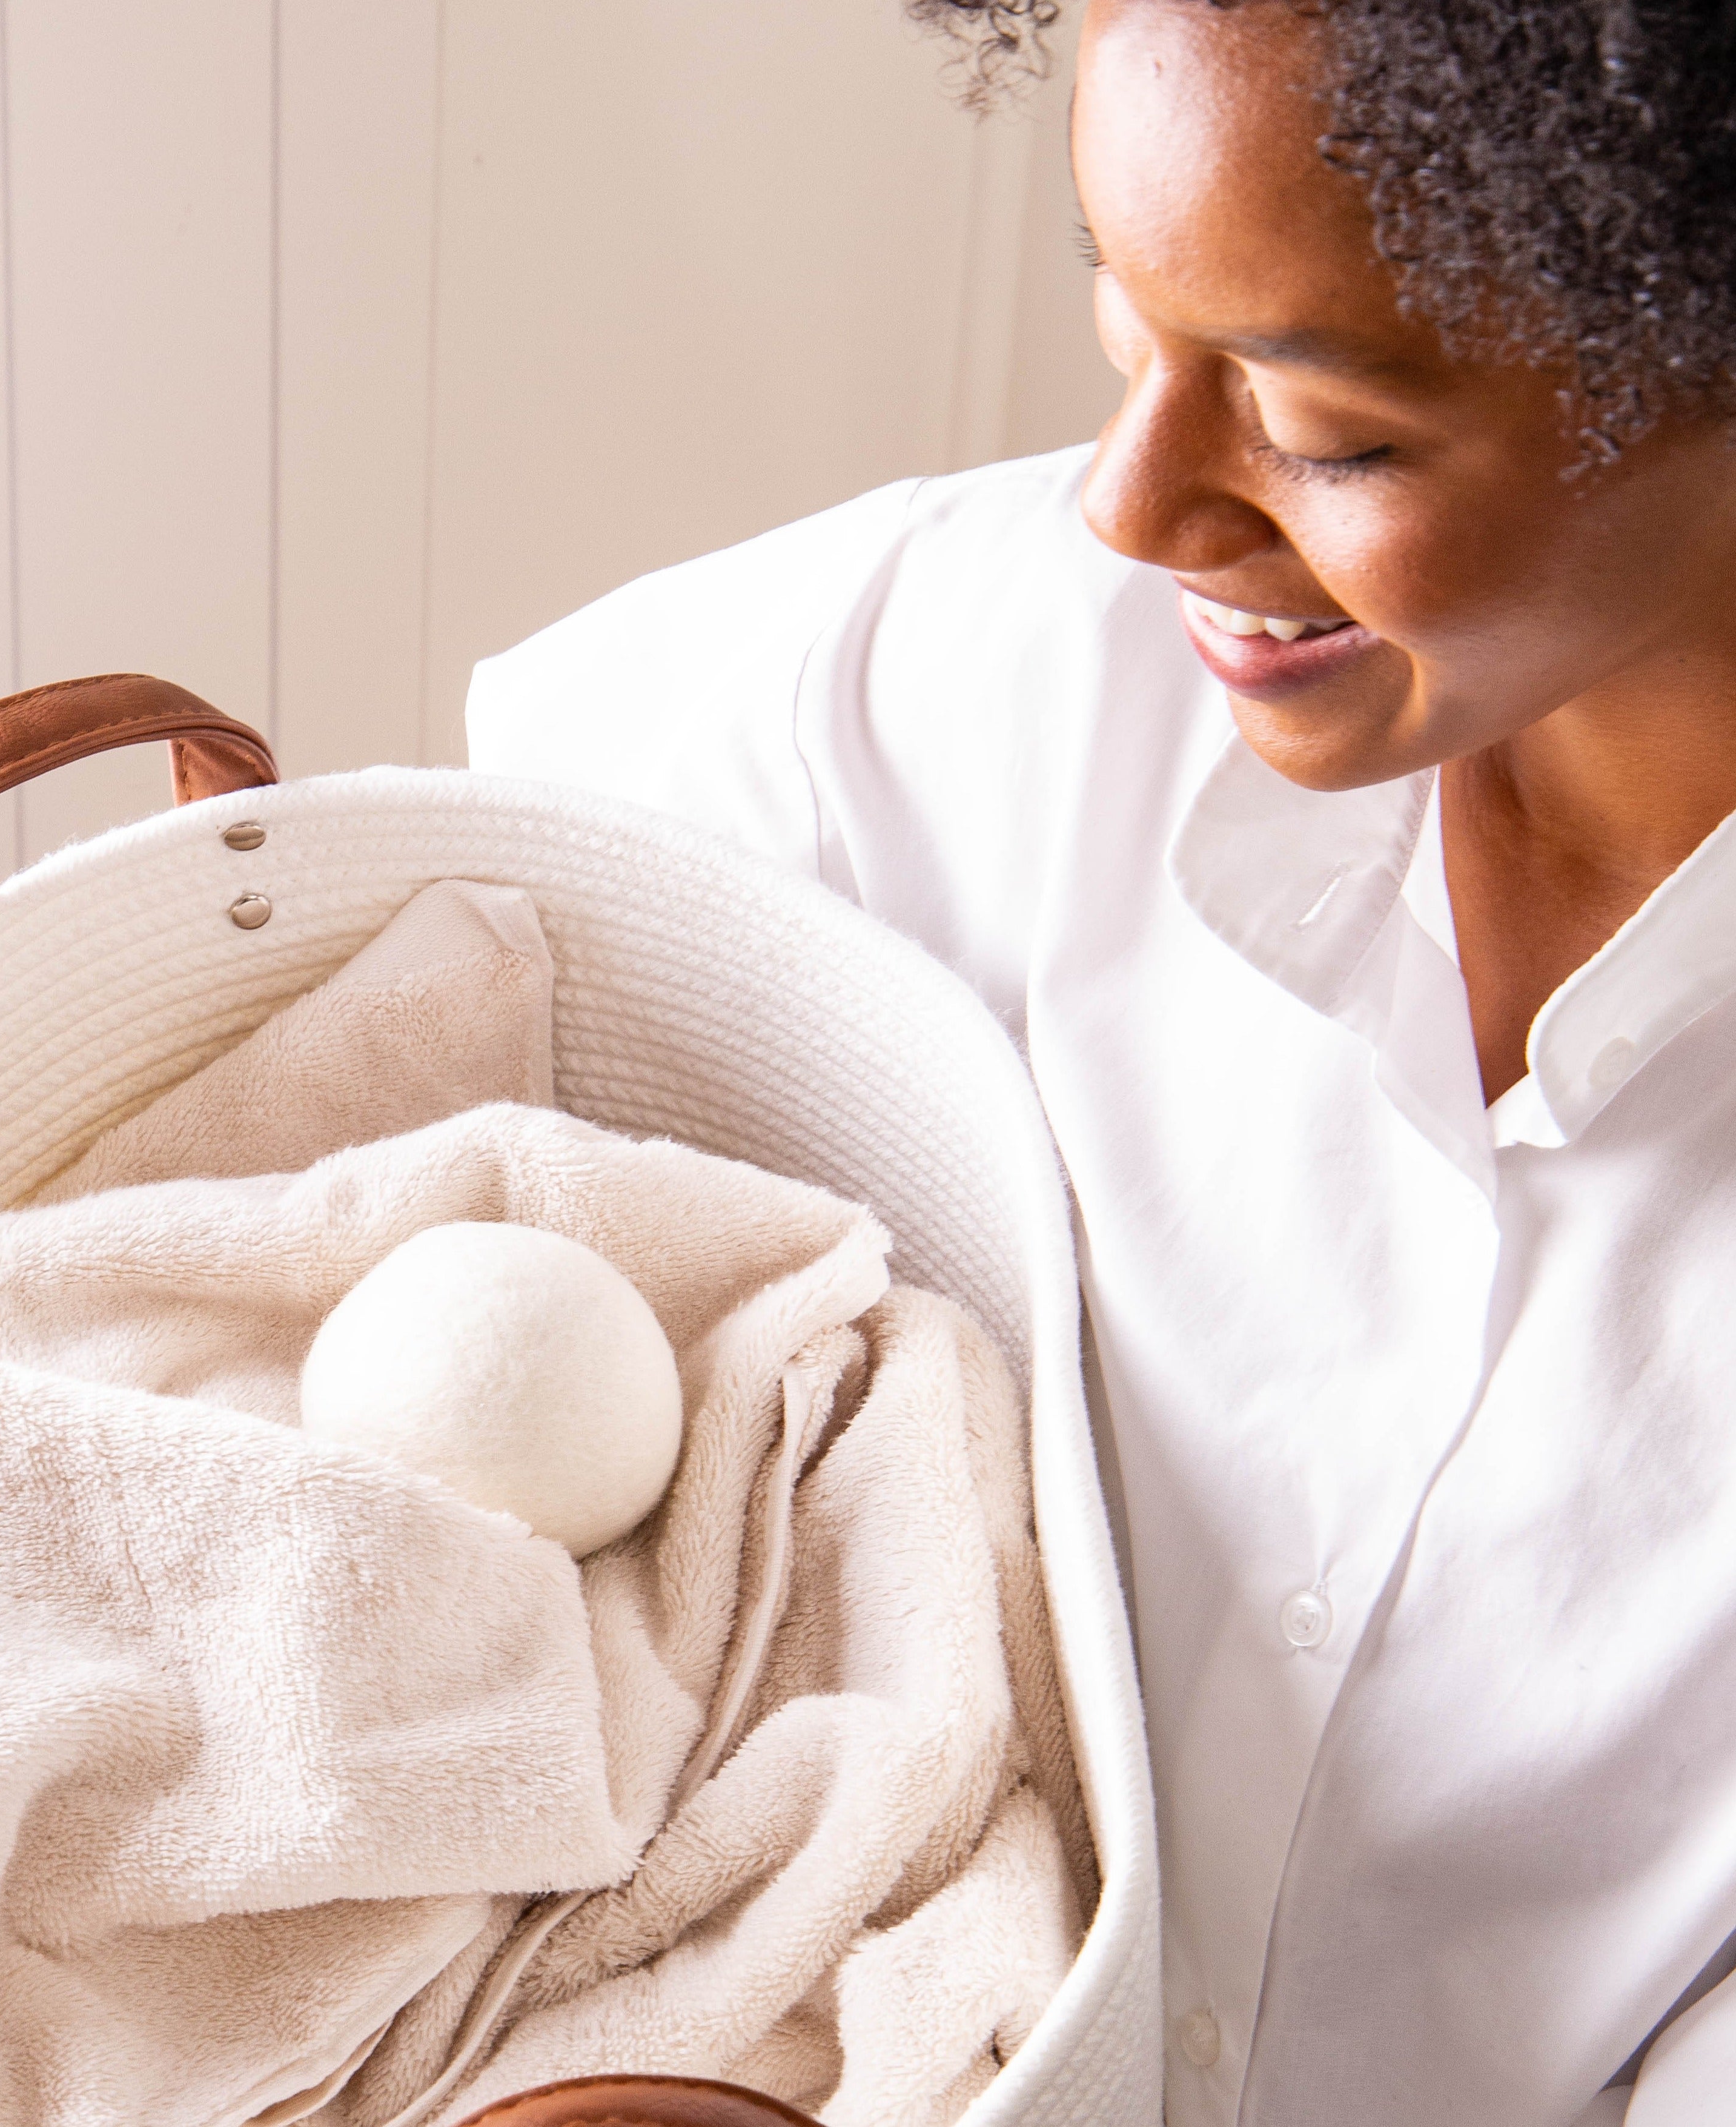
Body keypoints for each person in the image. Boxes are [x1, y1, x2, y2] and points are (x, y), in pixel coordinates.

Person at [464, 1, 1736, 2121]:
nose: (1137, 506)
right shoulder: (980, 667)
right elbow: (384, 962)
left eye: (1331, 435)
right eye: (1127, 321)